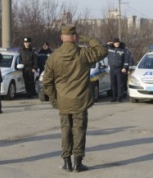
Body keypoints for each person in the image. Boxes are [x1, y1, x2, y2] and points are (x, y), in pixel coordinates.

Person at [42, 25, 108, 172]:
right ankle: (78, 162)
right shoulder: (83, 53)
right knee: (79, 129)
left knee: (65, 129)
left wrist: (54, 99)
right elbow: (103, 50)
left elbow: (47, 81)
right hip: (80, 99)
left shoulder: (53, 56)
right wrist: (87, 38)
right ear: (75, 37)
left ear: (61, 38)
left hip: (63, 100)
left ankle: (66, 162)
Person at [107, 38, 129, 102]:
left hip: (119, 69)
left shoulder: (123, 50)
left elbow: (126, 60)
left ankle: (120, 97)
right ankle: (114, 97)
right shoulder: (110, 48)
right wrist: (109, 43)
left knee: (120, 84)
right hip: (112, 69)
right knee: (113, 84)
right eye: (116, 43)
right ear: (113, 43)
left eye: (118, 43)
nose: (117, 44)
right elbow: (103, 46)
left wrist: (125, 67)